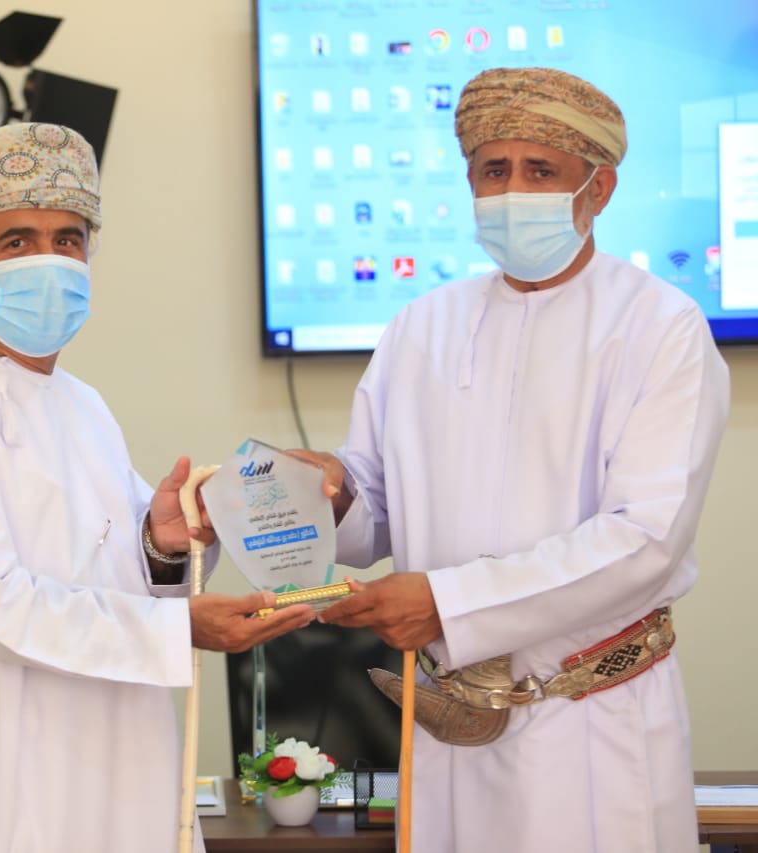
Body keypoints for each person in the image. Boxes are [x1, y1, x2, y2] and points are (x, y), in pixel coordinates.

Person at [0, 122, 314, 853]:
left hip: (111, 758)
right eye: (17, 241)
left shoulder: (81, 404)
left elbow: (109, 572)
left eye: (67, 239)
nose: (49, 260)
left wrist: (160, 543)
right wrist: (178, 630)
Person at [302, 67, 730, 853]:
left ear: (598, 188)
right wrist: (330, 495)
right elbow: (374, 510)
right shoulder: (421, 324)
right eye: (494, 170)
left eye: (541, 171)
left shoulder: (660, 326)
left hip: (593, 723)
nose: (512, 191)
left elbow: (644, 538)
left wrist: (447, 604)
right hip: (450, 726)